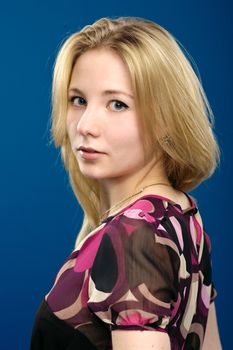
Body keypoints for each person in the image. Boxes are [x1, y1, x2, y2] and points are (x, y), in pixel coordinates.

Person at [30, 16, 222, 349]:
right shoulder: (183, 216)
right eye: (78, 100)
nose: (86, 125)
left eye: (117, 104)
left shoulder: (136, 235)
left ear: (166, 118)